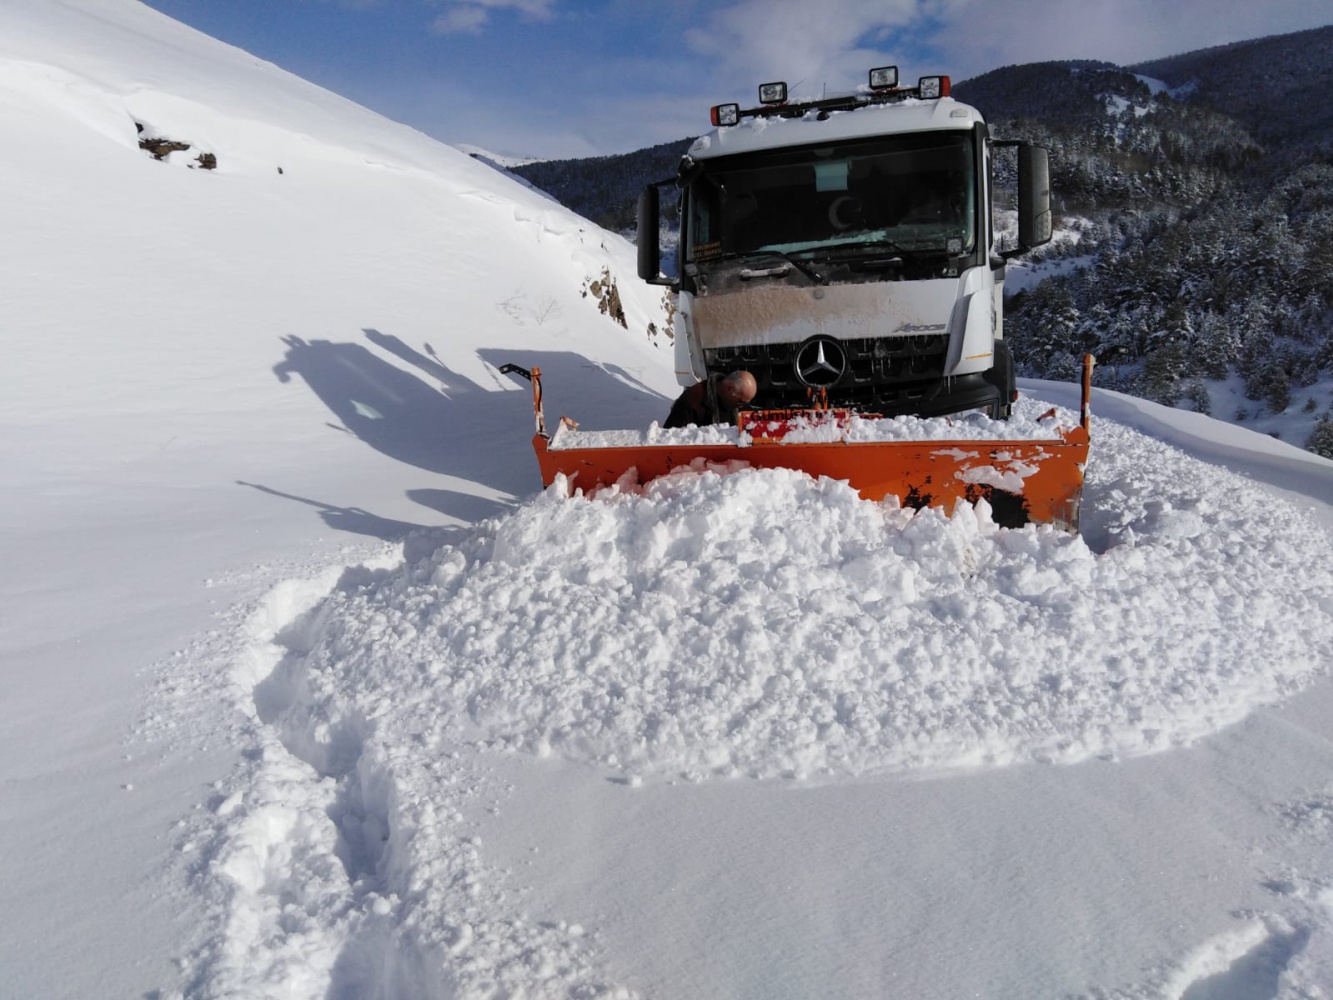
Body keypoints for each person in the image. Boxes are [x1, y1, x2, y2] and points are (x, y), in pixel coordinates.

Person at [664, 370, 757, 428]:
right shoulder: (692, 400)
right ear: (729, 388)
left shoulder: (732, 401)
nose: (741, 406)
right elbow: (671, 439)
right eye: (740, 401)